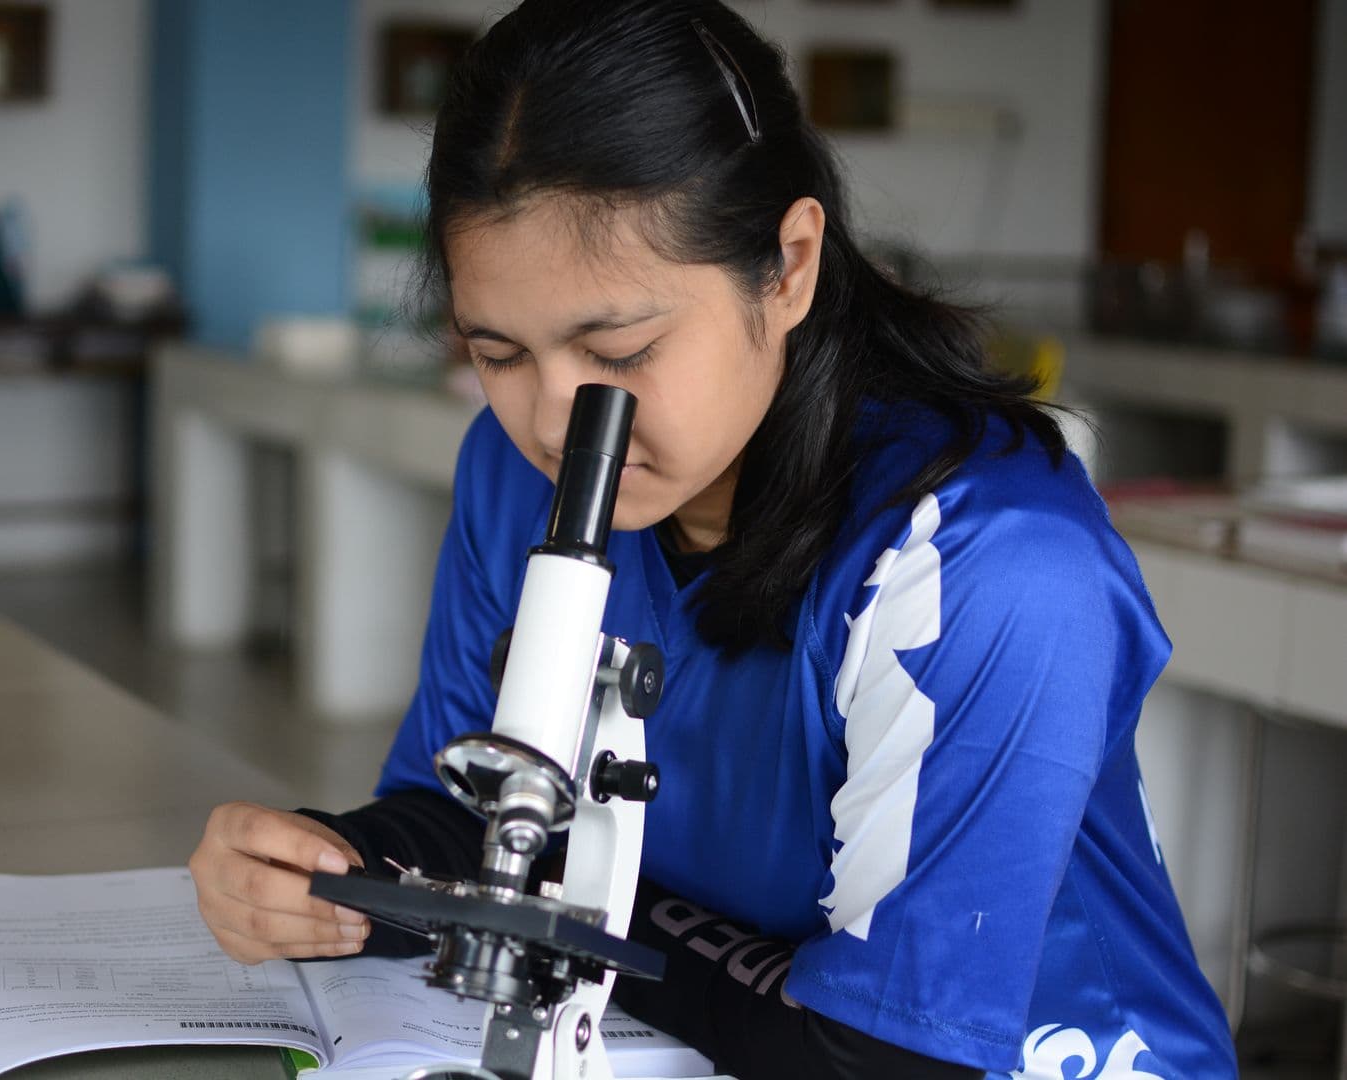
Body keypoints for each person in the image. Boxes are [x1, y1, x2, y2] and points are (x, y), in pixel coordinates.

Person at [188, 1, 1238, 1076]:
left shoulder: (987, 569)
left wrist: (588, 906)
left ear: (787, 267)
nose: (556, 420)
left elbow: (869, 1056)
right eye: (498, 353)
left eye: (622, 347)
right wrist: (332, 867)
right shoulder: (513, 474)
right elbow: (483, 828)